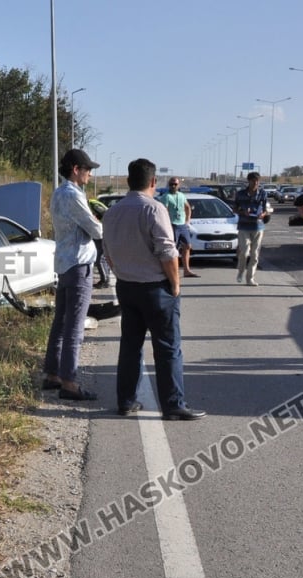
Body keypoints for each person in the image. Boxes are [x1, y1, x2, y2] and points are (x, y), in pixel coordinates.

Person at [102, 158, 206, 421]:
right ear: (153, 182)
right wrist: (176, 284)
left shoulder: (112, 212)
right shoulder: (154, 209)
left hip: (127, 287)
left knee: (130, 346)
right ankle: (173, 405)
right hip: (155, 289)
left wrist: (121, 275)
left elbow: (108, 251)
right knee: (168, 347)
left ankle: (126, 401)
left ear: (128, 182)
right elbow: (167, 252)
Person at [42, 148, 103, 400]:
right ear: (76, 170)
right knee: (75, 327)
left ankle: (53, 374)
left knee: (61, 323)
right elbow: (96, 229)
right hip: (78, 265)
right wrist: (101, 223)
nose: (90, 174)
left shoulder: (58, 193)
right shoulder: (72, 194)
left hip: (64, 263)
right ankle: (69, 382)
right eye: (87, 169)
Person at [233, 171, 271, 286]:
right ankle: (240, 271)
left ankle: (250, 278)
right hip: (244, 226)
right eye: (253, 181)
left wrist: (263, 215)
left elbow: (265, 209)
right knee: (244, 253)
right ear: (248, 181)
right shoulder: (240, 194)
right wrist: (243, 212)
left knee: (254, 255)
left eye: (257, 181)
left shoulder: (263, 193)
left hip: (258, 226)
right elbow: (234, 209)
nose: (256, 183)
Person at [157, 177, 199, 278]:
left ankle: (186, 270)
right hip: (172, 225)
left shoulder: (181, 195)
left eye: (175, 184)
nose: (173, 186)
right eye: (171, 184)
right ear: (168, 185)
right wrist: (166, 224)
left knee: (187, 246)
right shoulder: (166, 197)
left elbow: (187, 207)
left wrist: (187, 220)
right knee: (173, 249)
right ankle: (171, 271)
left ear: (178, 185)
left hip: (182, 225)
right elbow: (164, 211)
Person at [88, 198, 111, 287]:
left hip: (102, 232)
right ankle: (106, 279)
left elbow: (106, 215)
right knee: (103, 258)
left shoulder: (93, 204)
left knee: (100, 259)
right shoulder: (92, 204)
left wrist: (95, 219)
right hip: (102, 232)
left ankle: (104, 281)